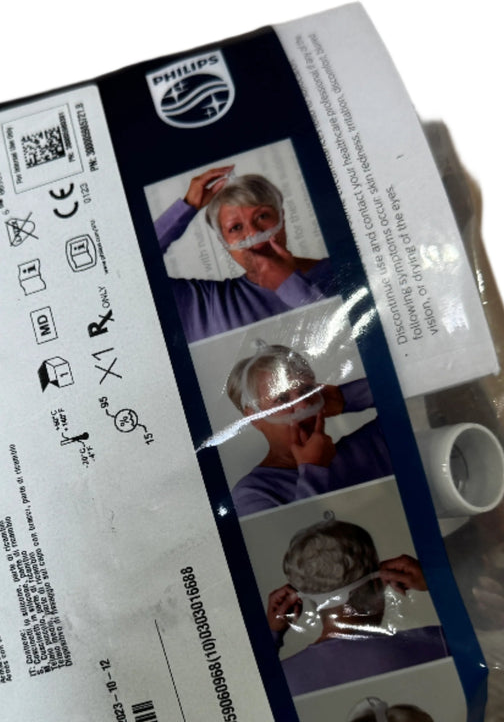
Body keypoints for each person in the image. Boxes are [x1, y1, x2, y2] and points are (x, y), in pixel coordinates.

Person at [267, 518, 447, 696]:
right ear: (377, 583)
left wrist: (271, 636)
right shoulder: (436, 644)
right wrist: (437, 580)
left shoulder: (280, 679)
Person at [154, 167, 337, 340]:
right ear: (223, 242)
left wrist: (291, 286)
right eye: (235, 227)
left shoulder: (338, 269)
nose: (254, 233)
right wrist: (187, 206)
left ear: (281, 217)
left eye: (262, 216)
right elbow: (138, 272)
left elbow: (347, 339)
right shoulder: (205, 306)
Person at [223, 343, 391, 516]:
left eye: (307, 390)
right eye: (282, 398)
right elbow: (308, 533)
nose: (303, 405)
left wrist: (344, 397)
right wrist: (314, 471)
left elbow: (403, 393)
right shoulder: (251, 495)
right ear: (254, 417)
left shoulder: (367, 451)